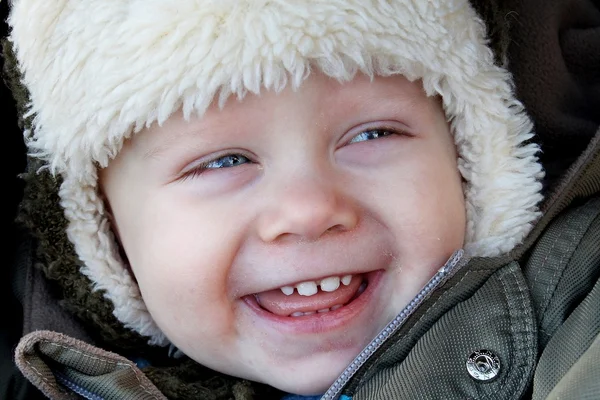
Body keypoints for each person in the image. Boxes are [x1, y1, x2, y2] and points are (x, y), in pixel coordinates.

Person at [2, 0, 599, 399]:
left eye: (372, 134)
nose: (310, 210)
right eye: (223, 162)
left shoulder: (577, 301)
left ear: (472, 156)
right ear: (105, 235)